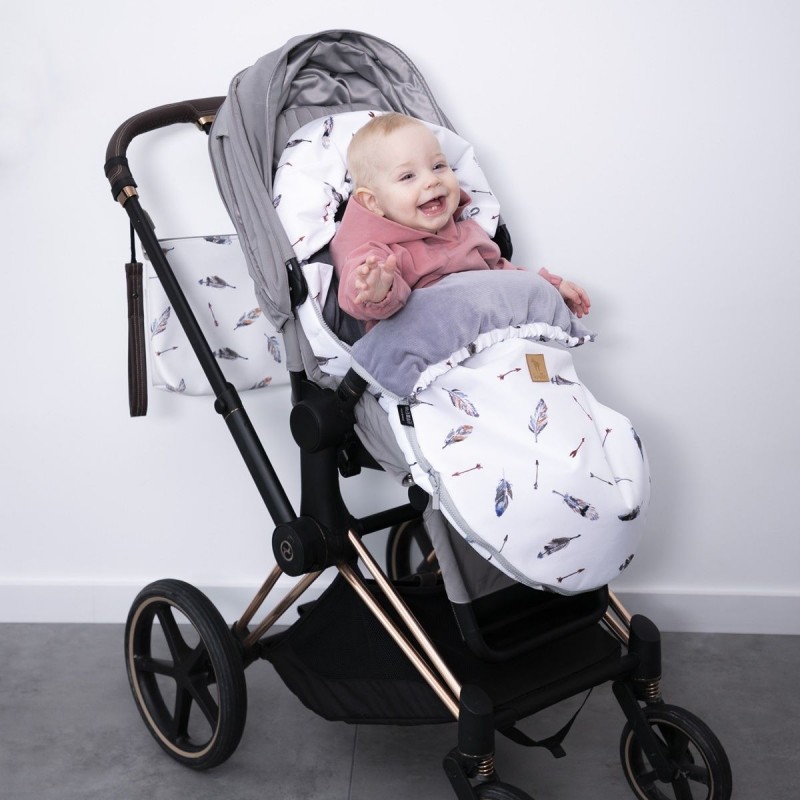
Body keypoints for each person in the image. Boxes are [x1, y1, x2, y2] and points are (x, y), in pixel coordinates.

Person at [330, 113, 591, 331]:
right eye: (408, 176)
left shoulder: (469, 234)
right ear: (373, 202)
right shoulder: (377, 255)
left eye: (438, 166)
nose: (431, 180)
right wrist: (378, 290)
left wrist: (549, 287)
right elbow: (359, 296)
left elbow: (503, 277)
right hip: (429, 351)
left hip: (491, 338)